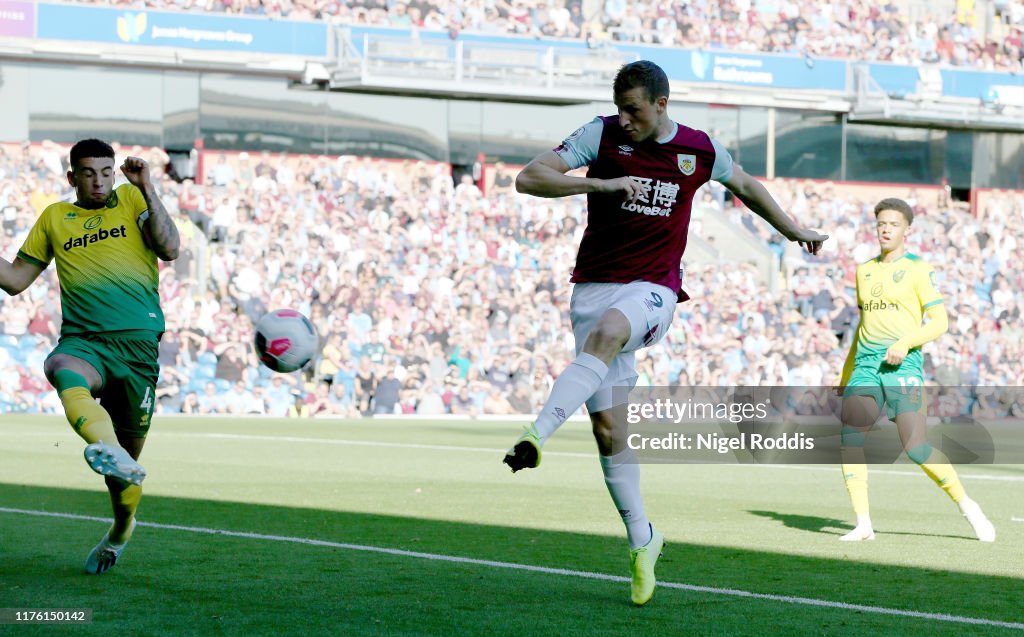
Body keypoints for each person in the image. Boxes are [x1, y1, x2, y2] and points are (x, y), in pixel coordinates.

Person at [502, 61, 827, 605]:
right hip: (591, 288)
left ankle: (536, 435)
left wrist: (793, 230)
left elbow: (745, 185)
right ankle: (644, 541)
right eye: (621, 108)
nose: (625, 119)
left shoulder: (699, 150)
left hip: (653, 290)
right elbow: (528, 177)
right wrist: (599, 184)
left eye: (634, 109)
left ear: (661, 103)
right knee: (609, 432)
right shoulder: (600, 135)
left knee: (610, 331)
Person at [0, 139, 180, 573]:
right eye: (88, 173)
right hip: (84, 340)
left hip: (138, 347)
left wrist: (148, 187)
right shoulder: (55, 217)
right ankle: (104, 445)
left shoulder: (134, 198)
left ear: (115, 172)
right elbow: (15, 279)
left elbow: (170, 248)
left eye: (106, 171)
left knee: (123, 475)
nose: (99, 181)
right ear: (72, 177)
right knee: (60, 366)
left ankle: (120, 529)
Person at [837, 197, 994, 542]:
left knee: (916, 446)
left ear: (907, 230)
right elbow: (862, 324)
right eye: (881, 223)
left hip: (902, 365)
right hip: (865, 366)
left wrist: (905, 343)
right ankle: (863, 524)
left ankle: (968, 506)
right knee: (850, 440)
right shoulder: (864, 271)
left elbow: (940, 322)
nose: (886, 229)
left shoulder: (919, 269)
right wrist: (846, 373)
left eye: (893, 224)